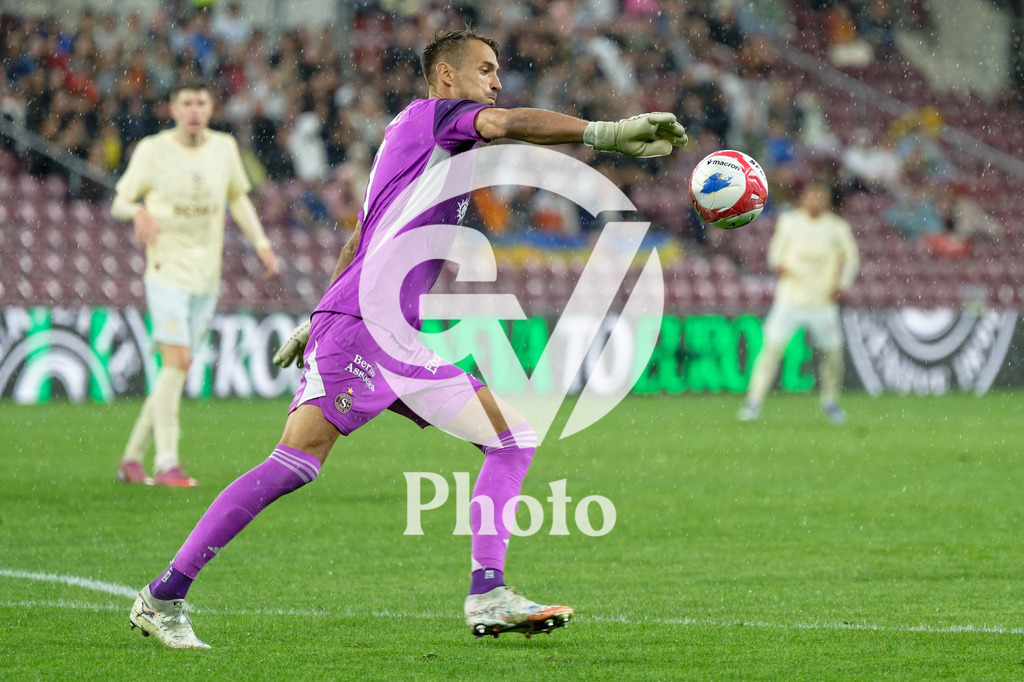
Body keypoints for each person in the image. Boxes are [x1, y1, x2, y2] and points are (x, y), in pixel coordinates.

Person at [127, 28, 688, 649]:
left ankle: (489, 593)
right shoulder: (437, 116)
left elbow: (359, 238)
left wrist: (314, 317)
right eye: (486, 69)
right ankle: (163, 596)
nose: (497, 82)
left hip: (391, 334)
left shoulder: (422, 145)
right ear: (447, 77)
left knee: (512, 436)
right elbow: (507, 124)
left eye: (498, 71)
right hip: (364, 329)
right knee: (294, 465)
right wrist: (604, 134)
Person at [112, 78, 280, 488]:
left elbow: (237, 198)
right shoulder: (153, 151)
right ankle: (168, 462)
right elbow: (119, 200)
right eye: (185, 102)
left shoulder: (224, 148)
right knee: (177, 363)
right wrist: (137, 212)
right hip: (166, 270)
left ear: (210, 108)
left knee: (175, 372)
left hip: (207, 278)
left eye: (201, 102)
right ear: (172, 109)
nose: (193, 110)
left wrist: (261, 243)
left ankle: (131, 459)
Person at [738, 181, 859, 425]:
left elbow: (852, 258)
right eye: (811, 196)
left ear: (826, 201)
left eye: (819, 196)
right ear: (803, 200)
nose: (815, 201)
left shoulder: (837, 228)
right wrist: (778, 265)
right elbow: (775, 254)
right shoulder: (789, 222)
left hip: (822, 302)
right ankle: (753, 402)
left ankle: (830, 402)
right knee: (771, 350)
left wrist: (842, 284)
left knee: (832, 355)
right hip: (790, 299)